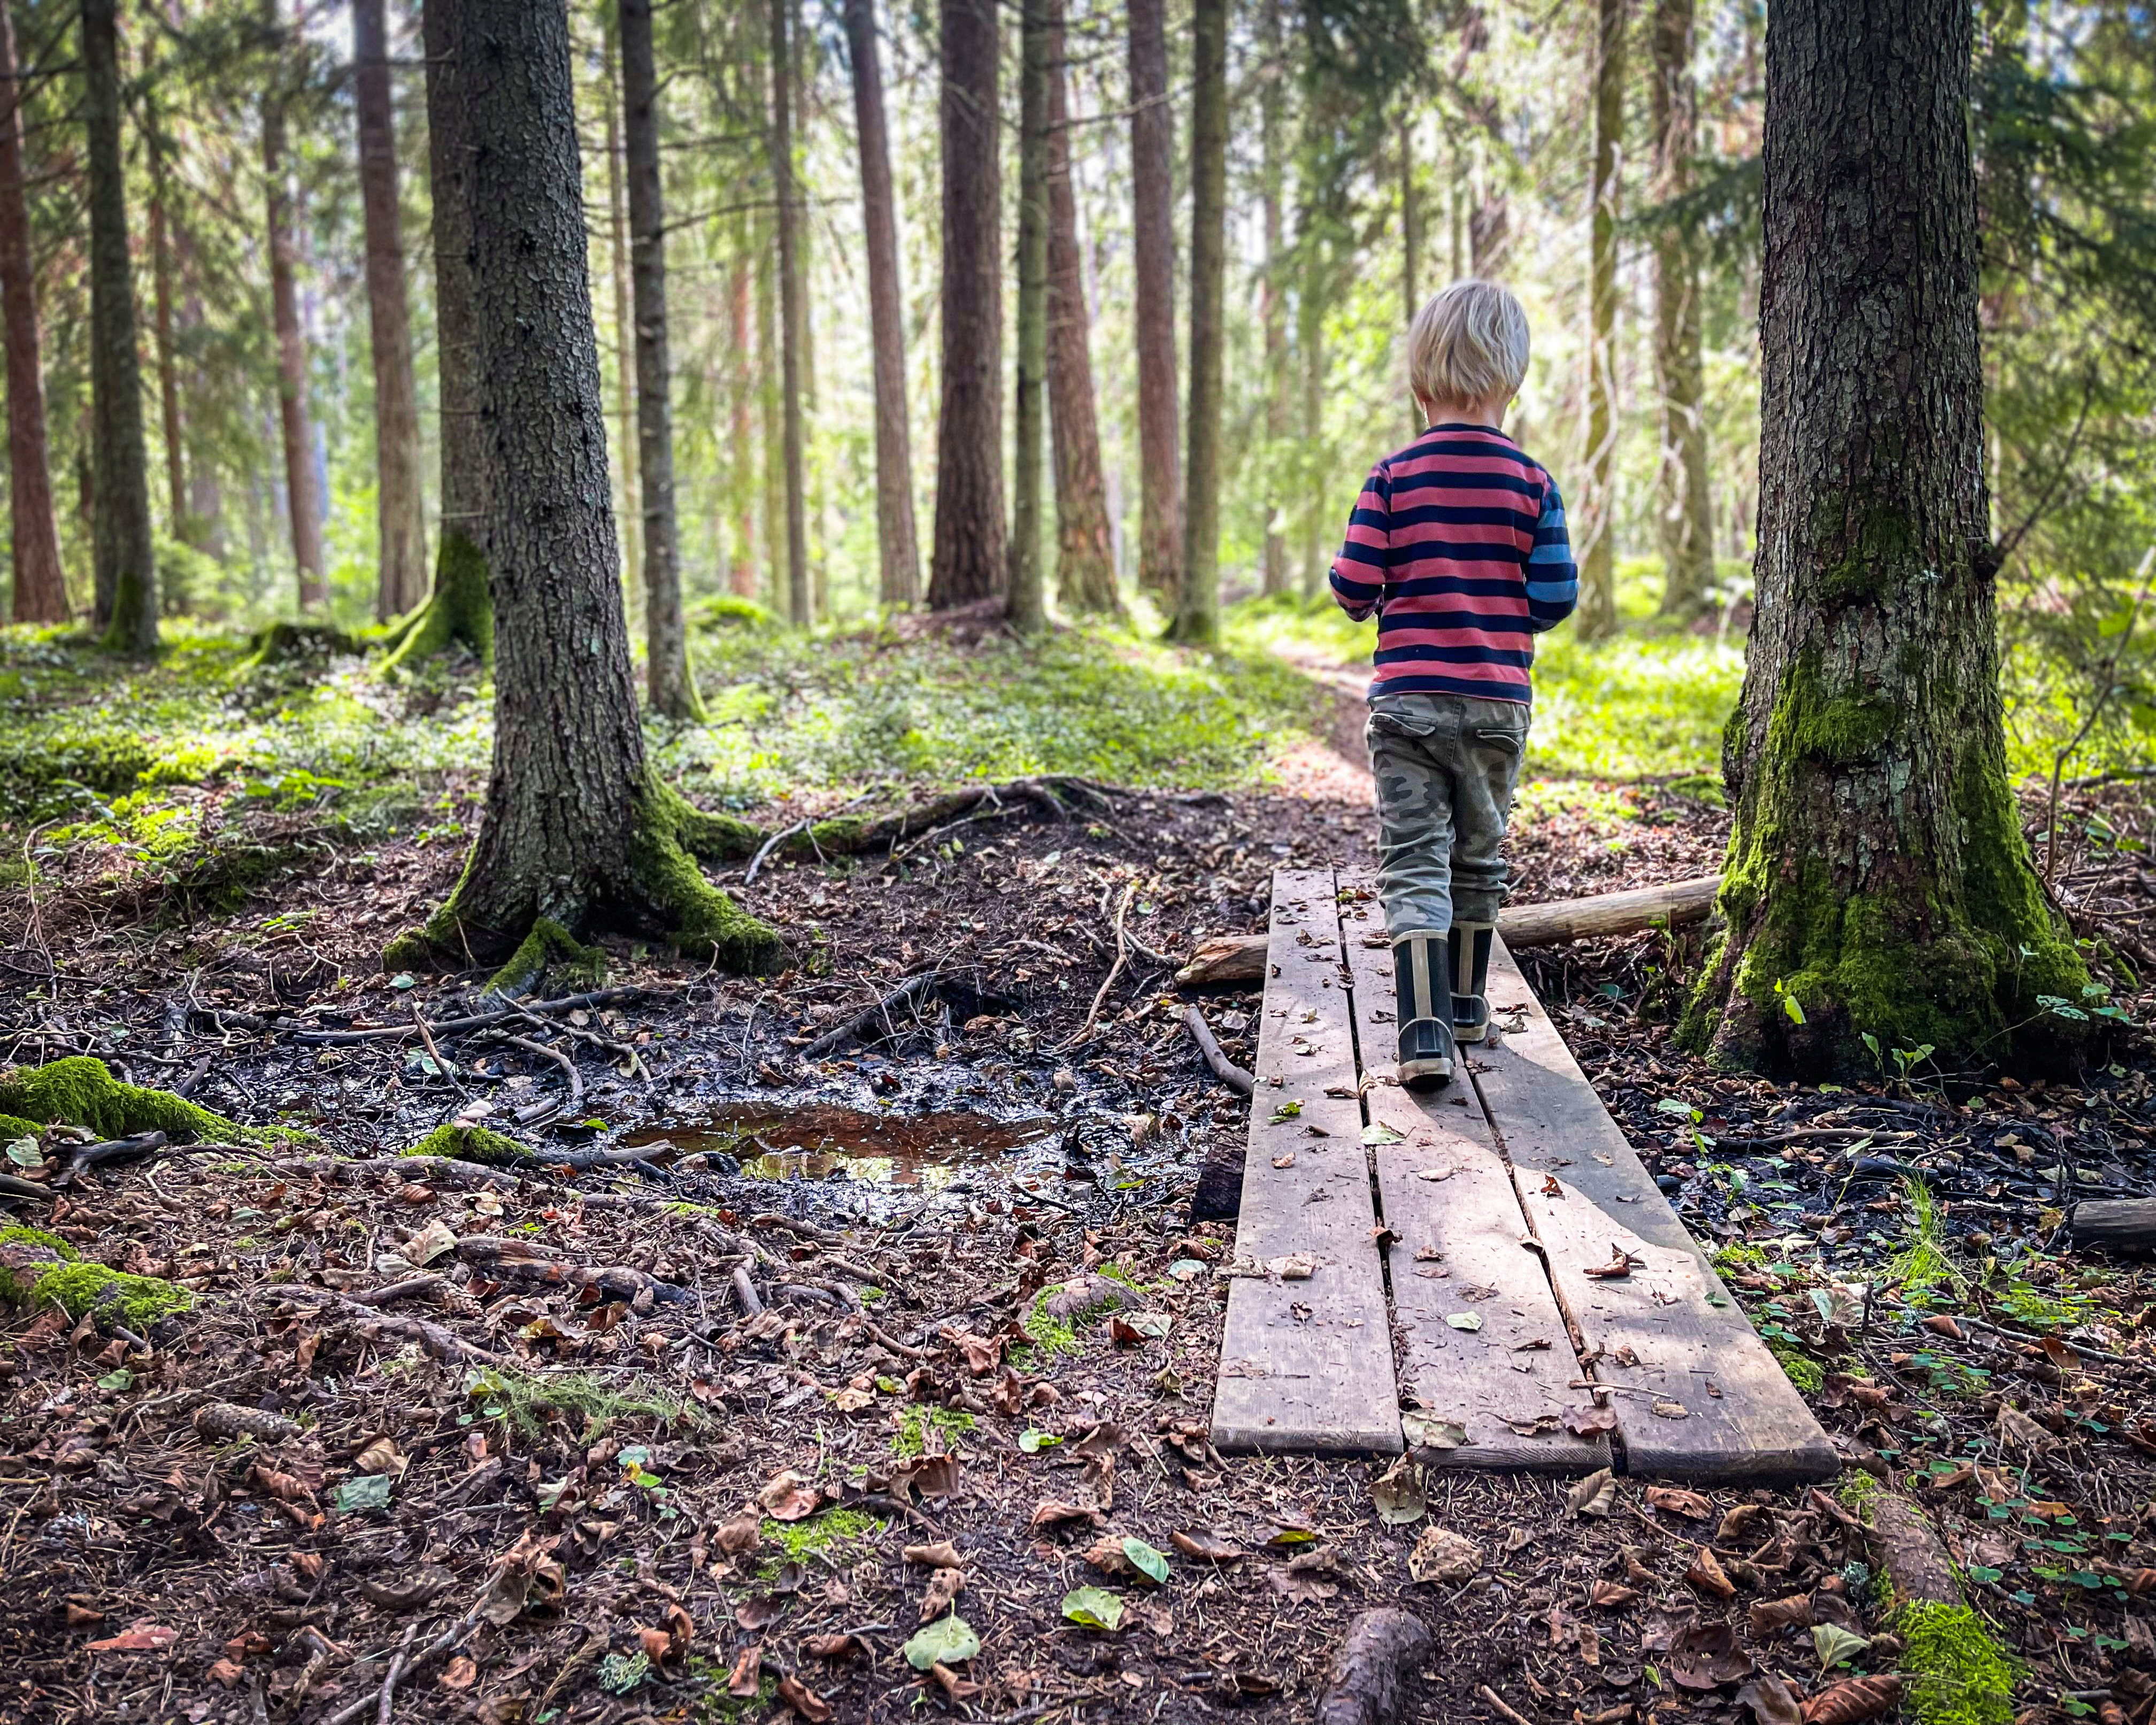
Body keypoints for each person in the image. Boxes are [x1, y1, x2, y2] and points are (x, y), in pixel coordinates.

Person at [1328, 280, 1577, 1091]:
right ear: (1514, 379)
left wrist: (1376, 582)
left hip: (1407, 704)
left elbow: (1354, 584)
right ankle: (1470, 1007)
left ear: (1418, 380)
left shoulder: (1393, 477)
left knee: (1413, 859)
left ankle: (1423, 1027)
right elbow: (1553, 598)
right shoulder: (1533, 484)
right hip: (1498, 703)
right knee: (1479, 850)